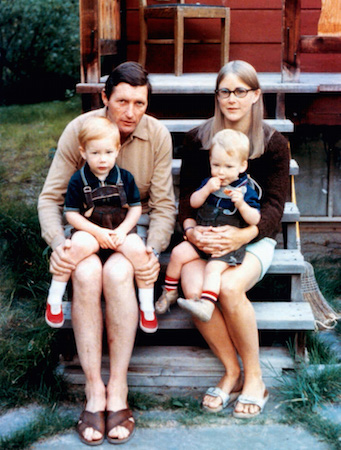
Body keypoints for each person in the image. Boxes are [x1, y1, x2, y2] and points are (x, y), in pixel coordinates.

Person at [38, 62, 176, 445]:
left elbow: (163, 206)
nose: (131, 112)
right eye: (122, 102)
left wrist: (151, 252)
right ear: (104, 98)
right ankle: (93, 391)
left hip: (132, 230)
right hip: (84, 227)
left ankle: (118, 390)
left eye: (139, 103)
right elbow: (51, 198)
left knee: (117, 274)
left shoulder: (158, 136)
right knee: (83, 273)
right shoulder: (80, 132)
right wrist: (58, 245)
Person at [178, 60, 289, 418]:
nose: (232, 99)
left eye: (241, 91)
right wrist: (192, 231)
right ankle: (231, 370)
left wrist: (242, 234)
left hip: (255, 238)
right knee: (192, 285)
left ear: (256, 95)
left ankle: (255, 379)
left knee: (227, 287)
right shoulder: (198, 140)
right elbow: (186, 203)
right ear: (217, 96)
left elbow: (274, 207)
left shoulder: (274, 144)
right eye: (225, 91)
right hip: (207, 236)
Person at [45, 116, 158, 333]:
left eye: (107, 152)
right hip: (90, 228)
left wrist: (123, 231)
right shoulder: (79, 180)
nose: (102, 159)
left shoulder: (125, 177)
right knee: (74, 247)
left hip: (119, 228)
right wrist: (96, 233)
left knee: (140, 252)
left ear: (117, 150)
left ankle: (146, 305)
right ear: (83, 152)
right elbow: (71, 214)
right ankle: (55, 298)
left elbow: (135, 208)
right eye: (95, 153)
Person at [155, 129, 260, 322]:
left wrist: (241, 204)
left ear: (242, 166)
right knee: (178, 252)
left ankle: (206, 305)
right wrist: (205, 190)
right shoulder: (209, 183)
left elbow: (254, 219)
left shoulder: (246, 191)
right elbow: (193, 203)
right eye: (216, 165)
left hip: (225, 246)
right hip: (202, 239)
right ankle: (169, 291)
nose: (221, 171)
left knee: (212, 270)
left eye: (228, 166)